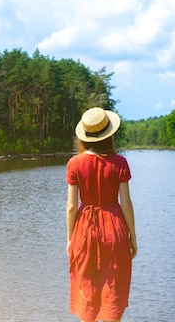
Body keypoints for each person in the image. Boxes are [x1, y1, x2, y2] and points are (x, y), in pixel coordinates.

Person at [66, 107, 138, 322]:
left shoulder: (74, 163)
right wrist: (132, 236)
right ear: (109, 134)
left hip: (85, 229)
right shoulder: (120, 163)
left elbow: (71, 206)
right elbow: (126, 204)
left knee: (86, 283)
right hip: (114, 227)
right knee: (114, 284)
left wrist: (70, 239)